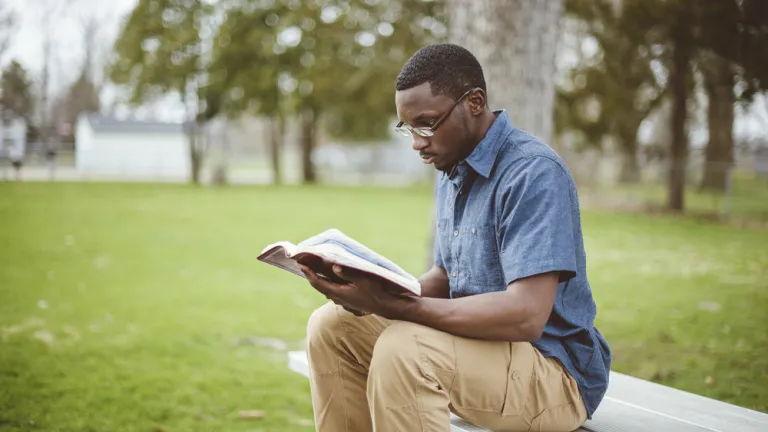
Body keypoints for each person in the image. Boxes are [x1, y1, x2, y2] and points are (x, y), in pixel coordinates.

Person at [298, 43, 611, 432]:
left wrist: (396, 307)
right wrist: (374, 288)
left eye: (427, 124)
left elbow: (527, 315)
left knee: (406, 350)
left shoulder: (532, 172)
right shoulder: (452, 167)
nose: (417, 142)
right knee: (332, 325)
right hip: (477, 353)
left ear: (475, 102)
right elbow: (448, 277)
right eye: (408, 128)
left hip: (553, 374)